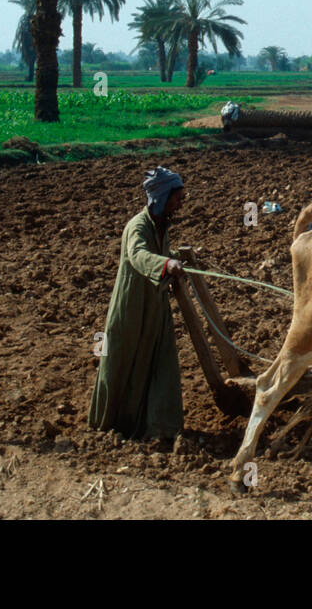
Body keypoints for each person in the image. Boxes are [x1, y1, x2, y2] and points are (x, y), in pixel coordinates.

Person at [88, 166, 191, 443]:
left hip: (156, 306)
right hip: (132, 306)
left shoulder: (163, 224)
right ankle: (110, 424)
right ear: (161, 197)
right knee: (121, 361)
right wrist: (166, 264)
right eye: (177, 197)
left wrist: (179, 257)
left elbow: (159, 253)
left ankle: (161, 426)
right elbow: (138, 255)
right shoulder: (138, 226)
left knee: (161, 361)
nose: (181, 203)